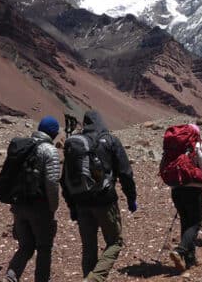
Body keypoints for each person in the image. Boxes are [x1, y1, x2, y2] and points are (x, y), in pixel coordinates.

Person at [61, 110, 138, 282]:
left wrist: (72, 207)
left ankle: (88, 277)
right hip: (104, 200)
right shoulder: (109, 140)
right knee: (115, 242)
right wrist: (131, 198)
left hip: (80, 202)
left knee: (89, 247)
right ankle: (94, 279)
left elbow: (64, 179)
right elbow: (125, 173)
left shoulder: (75, 145)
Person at [2, 116, 61, 282]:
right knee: (44, 248)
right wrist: (53, 208)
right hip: (39, 207)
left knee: (25, 246)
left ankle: (10, 277)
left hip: (18, 205)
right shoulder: (49, 151)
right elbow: (52, 183)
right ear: (53, 133)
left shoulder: (23, 147)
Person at [164, 124, 202, 272]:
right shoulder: (196, 144)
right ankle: (180, 251)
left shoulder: (173, 147)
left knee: (186, 222)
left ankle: (189, 259)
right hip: (193, 189)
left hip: (176, 189)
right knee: (195, 223)